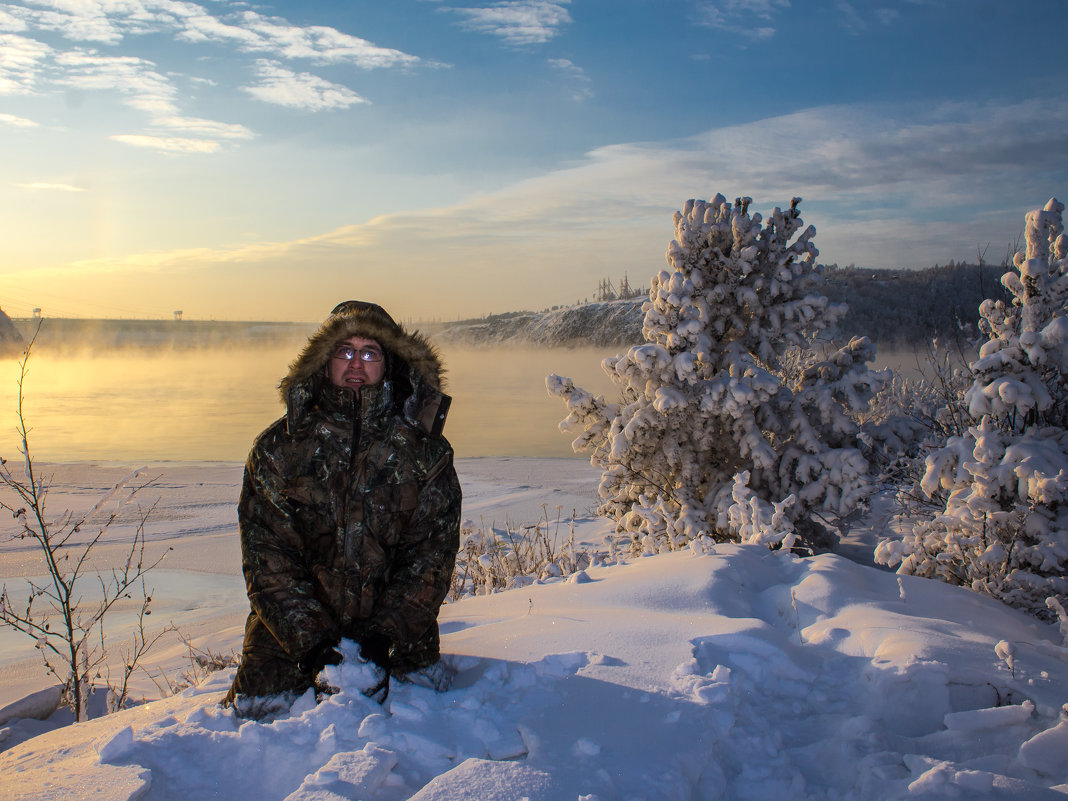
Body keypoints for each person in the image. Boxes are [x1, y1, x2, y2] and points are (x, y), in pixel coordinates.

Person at [224, 300, 461, 717]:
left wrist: (386, 637)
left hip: (400, 650)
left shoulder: (426, 452)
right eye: (344, 350)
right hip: (285, 651)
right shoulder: (278, 448)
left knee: (422, 741)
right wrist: (313, 644)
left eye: (370, 352)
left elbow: (431, 559)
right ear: (323, 361)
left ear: (390, 363)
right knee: (258, 739)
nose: (356, 363)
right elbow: (268, 562)